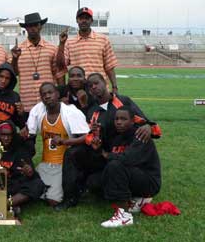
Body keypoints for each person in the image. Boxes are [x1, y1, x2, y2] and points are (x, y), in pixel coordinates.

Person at [57, 72, 162, 210]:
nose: (94, 87)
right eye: (90, 86)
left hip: (125, 156)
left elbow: (146, 124)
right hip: (104, 153)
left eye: (97, 83)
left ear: (105, 83)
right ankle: (70, 197)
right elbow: (89, 137)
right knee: (73, 154)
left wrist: (148, 126)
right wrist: (94, 137)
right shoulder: (92, 109)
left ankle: (131, 196)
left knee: (114, 169)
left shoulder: (123, 101)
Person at [22, 82, 90, 208]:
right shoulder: (38, 110)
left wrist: (65, 142)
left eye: (50, 93)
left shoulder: (71, 112)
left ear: (57, 94)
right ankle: (46, 188)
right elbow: (29, 135)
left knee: (53, 201)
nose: (47, 96)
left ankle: (73, 187)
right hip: (45, 164)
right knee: (25, 188)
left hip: (64, 166)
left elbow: (88, 137)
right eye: (43, 94)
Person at [97, 106, 161, 227]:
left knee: (115, 166)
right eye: (116, 119)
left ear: (132, 121)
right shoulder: (116, 136)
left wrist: (108, 155)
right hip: (132, 175)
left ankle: (124, 217)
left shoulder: (140, 134)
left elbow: (127, 159)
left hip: (149, 181)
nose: (119, 122)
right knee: (94, 181)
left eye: (123, 119)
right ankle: (136, 199)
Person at [11, 12, 66, 112]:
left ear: (40, 26)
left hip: (48, 103)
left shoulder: (52, 49)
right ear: (26, 28)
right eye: (29, 26)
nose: (33, 28)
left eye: (36, 25)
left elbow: (58, 74)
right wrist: (14, 59)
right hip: (27, 103)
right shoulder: (18, 50)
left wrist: (62, 96)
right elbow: (14, 73)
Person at [57, 7, 118, 93]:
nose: (84, 21)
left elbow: (109, 67)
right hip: (78, 90)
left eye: (87, 18)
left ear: (91, 20)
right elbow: (61, 65)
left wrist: (115, 87)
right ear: (77, 20)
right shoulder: (69, 42)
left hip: (99, 89)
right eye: (81, 18)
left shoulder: (103, 40)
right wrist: (61, 44)